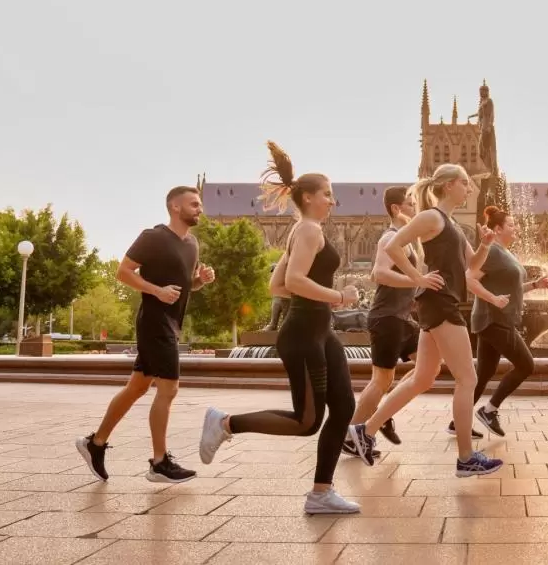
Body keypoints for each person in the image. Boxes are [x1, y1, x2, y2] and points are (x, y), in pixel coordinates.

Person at [198, 142, 362, 515]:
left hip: (320, 331)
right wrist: (340, 296)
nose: (333, 201)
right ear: (308, 197)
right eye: (328, 194)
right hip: (304, 333)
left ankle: (321, 493)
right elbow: (296, 280)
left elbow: (277, 286)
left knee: (344, 406)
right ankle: (224, 423)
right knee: (307, 422)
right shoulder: (306, 231)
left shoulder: (303, 230)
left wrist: (322, 298)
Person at [348, 163, 504, 477]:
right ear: (448, 185)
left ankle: (365, 431)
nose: (469, 188)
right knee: (467, 379)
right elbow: (392, 246)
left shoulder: (452, 224)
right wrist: (418, 277)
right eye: (464, 182)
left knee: (423, 378)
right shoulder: (431, 217)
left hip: (440, 303)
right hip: (439, 304)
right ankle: (465, 457)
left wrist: (486, 243)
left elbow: (470, 265)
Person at [76, 186, 215, 484]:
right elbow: (123, 271)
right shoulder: (152, 237)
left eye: (200, 204)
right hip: (154, 321)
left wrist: (199, 281)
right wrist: (155, 290)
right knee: (169, 389)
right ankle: (159, 462)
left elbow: (183, 285)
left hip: (171, 324)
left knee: (137, 388)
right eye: (194, 204)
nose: (199, 209)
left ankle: (95, 443)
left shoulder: (192, 244)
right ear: (175, 207)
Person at [342, 186, 444, 456]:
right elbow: (380, 273)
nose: (415, 208)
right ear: (396, 209)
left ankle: (383, 412)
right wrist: (417, 279)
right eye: (410, 204)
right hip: (386, 318)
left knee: (430, 368)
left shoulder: (408, 241)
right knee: (381, 380)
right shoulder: (389, 237)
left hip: (402, 319)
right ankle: (352, 436)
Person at [466, 206, 548, 437]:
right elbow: (469, 279)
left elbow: (511, 290)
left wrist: (535, 285)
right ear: (497, 228)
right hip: (493, 319)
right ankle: (489, 410)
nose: (517, 229)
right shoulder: (492, 251)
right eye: (512, 225)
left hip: (496, 318)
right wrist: (493, 299)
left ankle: (458, 422)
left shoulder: (506, 252)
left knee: (484, 373)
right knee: (526, 365)